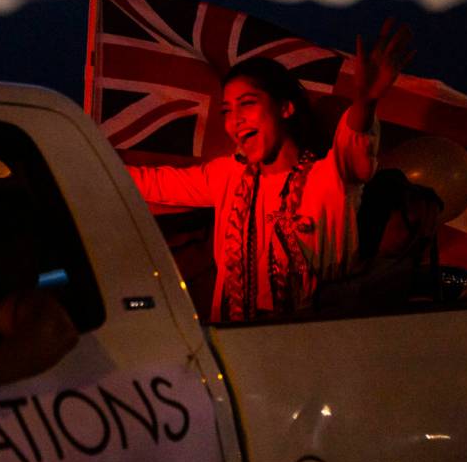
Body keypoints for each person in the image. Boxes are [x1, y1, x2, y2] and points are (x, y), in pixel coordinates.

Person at [127, 19, 414, 322]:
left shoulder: (330, 176)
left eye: (247, 104)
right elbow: (150, 183)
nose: (234, 120)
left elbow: (354, 136)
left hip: (315, 342)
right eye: (227, 110)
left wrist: (366, 101)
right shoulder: (226, 177)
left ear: (285, 108)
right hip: (240, 347)